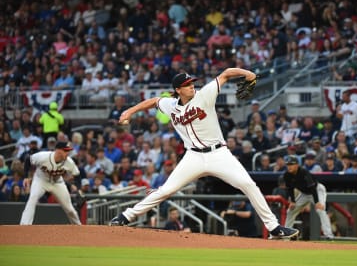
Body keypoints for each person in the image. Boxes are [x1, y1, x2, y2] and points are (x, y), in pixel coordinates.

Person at [109, 70, 299, 240]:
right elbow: (153, 101)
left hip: (219, 154)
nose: (192, 86)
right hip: (193, 157)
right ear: (178, 90)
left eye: (192, 83)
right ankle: (126, 216)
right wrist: (129, 111)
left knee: (248, 184)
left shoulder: (205, 95)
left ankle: (273, 227)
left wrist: (248, 74)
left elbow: (226, 73)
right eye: (187, 85)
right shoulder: (170, 105)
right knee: (166, 190)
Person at [20, 141, 81, 225]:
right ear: (59, 151)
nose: (68, 153)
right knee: (32, 198)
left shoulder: (69, 162)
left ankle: (79, 227)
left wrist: (77, 186)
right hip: (40, 180)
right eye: (65, 151)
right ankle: (24, 225)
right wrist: (26, 177)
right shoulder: (43, 156)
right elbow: (28, 160)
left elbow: (77, 174)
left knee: (69, 209)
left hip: (57, 183)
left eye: (68, 151)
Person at [283, 156, 334, 240]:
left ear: (297, 165)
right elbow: (290, 188)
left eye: (291, 164)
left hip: (317, 190)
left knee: (320, 210)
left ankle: (329, 235)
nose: (289, 166)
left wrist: (317, 202)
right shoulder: (287, 175)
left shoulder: (304, 172)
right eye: (288, 165)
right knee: (290, 211)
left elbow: (312, 187)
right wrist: (292, 201)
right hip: (304, 193)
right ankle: (286, 235)